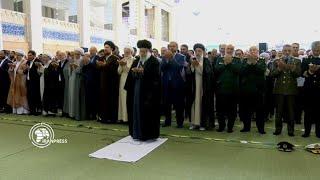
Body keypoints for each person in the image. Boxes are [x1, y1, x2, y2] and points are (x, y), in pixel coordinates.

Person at [125, 39, 161, 141]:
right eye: (141, 51)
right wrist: (135, 72)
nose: (142, 53)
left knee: (147, 113)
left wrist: (144, 73)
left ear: (148, 51)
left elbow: (156, 79)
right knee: (136, 110)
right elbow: (130, 76)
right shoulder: (137, 61)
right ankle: (136, 133)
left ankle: (148, 135)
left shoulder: (154, 62)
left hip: (148, 93)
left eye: (144, 51)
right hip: (136, 90)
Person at [271, 44, 301, 136]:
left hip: (291, 90)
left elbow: (298, 74)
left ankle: (290, 130)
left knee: (291, 111)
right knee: (278, 111)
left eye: (289, 50)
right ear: (282, 51)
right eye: (285, 50)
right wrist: (279, 68)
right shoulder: (276, 61)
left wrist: (291, 68)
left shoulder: (297, 61)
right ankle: (278, 129)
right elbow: (272, 74)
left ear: (291, 51)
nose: (287, 52)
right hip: (279, 90)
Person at [239, 46, 266, 134]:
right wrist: (249, 63)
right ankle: (246, 127)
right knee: (246, 110)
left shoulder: (261, 61)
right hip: (246, 90)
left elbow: (261, 71)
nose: (253, 52)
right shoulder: (244, 61)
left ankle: (260, 128)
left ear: (257, 52)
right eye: (251, 50)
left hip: (258, 90)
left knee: (260, 111)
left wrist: (254, 63)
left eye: (255, 50)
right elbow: (242, 72)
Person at [215, 44, 241, 133]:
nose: (229, 50)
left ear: (233, 50)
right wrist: (225, 64)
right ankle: (221, 126)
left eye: (231, 49)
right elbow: (216, 70)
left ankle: (230, 127)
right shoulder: (219, 59)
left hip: (233, 89)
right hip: (221, 89)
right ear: (225, 50)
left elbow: (238, 71)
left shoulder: (237, 60)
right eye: (228, 49)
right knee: (220, 109)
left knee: (232, 110)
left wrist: (230, 64)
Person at [161, 41, 187, 128]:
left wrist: (171, 59)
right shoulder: (164, 56)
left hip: (177, 84)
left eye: (173, 46)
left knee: (179, 104)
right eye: (170, 46)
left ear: (176, 47)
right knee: (166, 104)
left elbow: (179, 67)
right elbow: (162, 68)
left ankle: (180, 122)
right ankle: (167, 121)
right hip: (166, 83)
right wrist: (166, 60)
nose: (171, 48)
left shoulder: (181, 57)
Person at [189, 43, 214, 130]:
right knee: (194, 103)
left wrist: (197, 65)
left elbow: (207, 74)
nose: (198, 53)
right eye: (196, 51)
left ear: (203, 52)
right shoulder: (192, 60)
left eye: (199, 51)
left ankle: (202, 124)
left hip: (203, 87)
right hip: (194, 86)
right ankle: (194, 123)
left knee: (202, 104)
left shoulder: (207, 61)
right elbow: (190, 72)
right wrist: (192, 65)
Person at [97, 41, 120, 123]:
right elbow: (98, 69)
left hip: (112, 84)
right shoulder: (101, 58)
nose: (105, 49)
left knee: (112, 101)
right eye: (105, 47)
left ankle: (112, 118)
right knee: (103, 100)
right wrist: (100, 66)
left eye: (107, 47)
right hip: (103, 83)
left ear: (112, 49)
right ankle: (103, 117)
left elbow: (115, 72)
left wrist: (105, 66)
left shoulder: (115, 58)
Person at [301, 41, 320, 138]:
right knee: (308, 112)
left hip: (319, 90)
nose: (317, 52)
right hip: (309, 90)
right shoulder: (306, 60)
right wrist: (310, 71)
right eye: (315, 50)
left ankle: (318, 132)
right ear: (312, 50)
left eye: (318, 50)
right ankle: (306, 132)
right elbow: (301, 73)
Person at [7, 50, 29, 114]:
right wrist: (11, 68)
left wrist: (16, 70)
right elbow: (10, 71)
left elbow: (24, 72)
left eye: (18, 55)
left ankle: (23, 110)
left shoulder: (25, 62)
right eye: (16, 55)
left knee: (21, 95)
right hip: (14, 81)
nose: (17, 56)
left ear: (22, 55)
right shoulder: (15, 62)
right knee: (14, 94)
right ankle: (15, 109)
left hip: (21, 81)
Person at [68, 48, 87, 120]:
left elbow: (81, 71)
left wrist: (76, 67)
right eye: (75, 54)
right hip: (72, 79)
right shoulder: (73, 60)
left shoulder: (82, 60)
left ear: (80, 54)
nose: (75, 55)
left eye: (77, 54)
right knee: (72, 96)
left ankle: (77, 114)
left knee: (76, 96)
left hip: (78, 80)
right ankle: (72, 114)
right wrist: (71, 67)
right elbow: (70, 72)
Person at [117, 46, 134, 123]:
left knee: (128, 98)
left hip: (129, 79)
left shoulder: (134, 59)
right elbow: (119, 72)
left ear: (131, 52)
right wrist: (120, 65)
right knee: (122, 98)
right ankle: (122, 118)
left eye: (128, 52)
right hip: (122, 79)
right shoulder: (122, 59)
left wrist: (125, 65)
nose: (126, 54)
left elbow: (130, 71)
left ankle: (128, 118)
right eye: (125, 52)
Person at [82, 46, 100, 120]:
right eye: (90, 50)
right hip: (87, 81)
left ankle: (93, 114)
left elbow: (96, 68)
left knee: (93, 99)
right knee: (88, 98)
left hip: (94, 82)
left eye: (92, 50)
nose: (91, 52)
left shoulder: (97, 58)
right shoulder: (89, 58)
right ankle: (88, 114)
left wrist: (89, 63)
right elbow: (85, 69)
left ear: (96, 51)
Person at [26, 50, 42, 115]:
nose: (28, 57)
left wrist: (29, 69)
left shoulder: (38, 61)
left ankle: (36, 111)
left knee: (35, 96)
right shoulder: (28, 62)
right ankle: (31, 110)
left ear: (34, 55)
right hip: (28, 81)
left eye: (30, 55)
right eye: (28, 55)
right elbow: (26, 71)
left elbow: (39, 73)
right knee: (29, 96)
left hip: (35, 82)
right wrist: (26, 69)